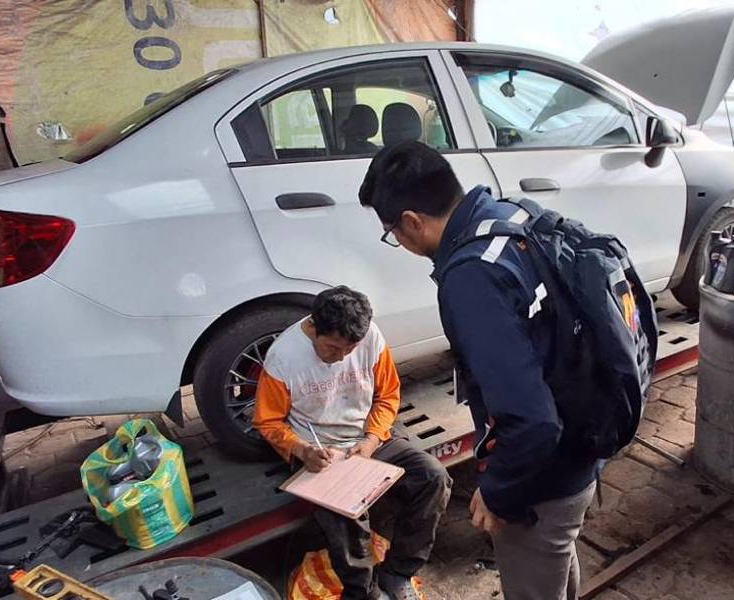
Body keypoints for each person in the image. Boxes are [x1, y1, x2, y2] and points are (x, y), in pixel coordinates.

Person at [358, 141, 598, 600]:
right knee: (556, 554)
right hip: (582, 434)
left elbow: (532, 423)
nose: (399, 242)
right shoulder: (511, 215)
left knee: (536, 570)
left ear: (411, 221)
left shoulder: (471, 276)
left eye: (393, 232)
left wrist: (499, 490)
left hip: (545, 471)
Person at [253, 286, 452, 600]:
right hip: (319, 451)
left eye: (350, 349)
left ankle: (397, 573)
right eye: (333, 348)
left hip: (369, 438)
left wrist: (371, 439)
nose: (342, 357)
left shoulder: (370, 337)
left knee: (434, 477)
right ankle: (362, 591)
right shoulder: (283, 357)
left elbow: (388, 396)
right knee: (344, 513)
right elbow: (268, 421)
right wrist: (302, 450)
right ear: (313, 327)